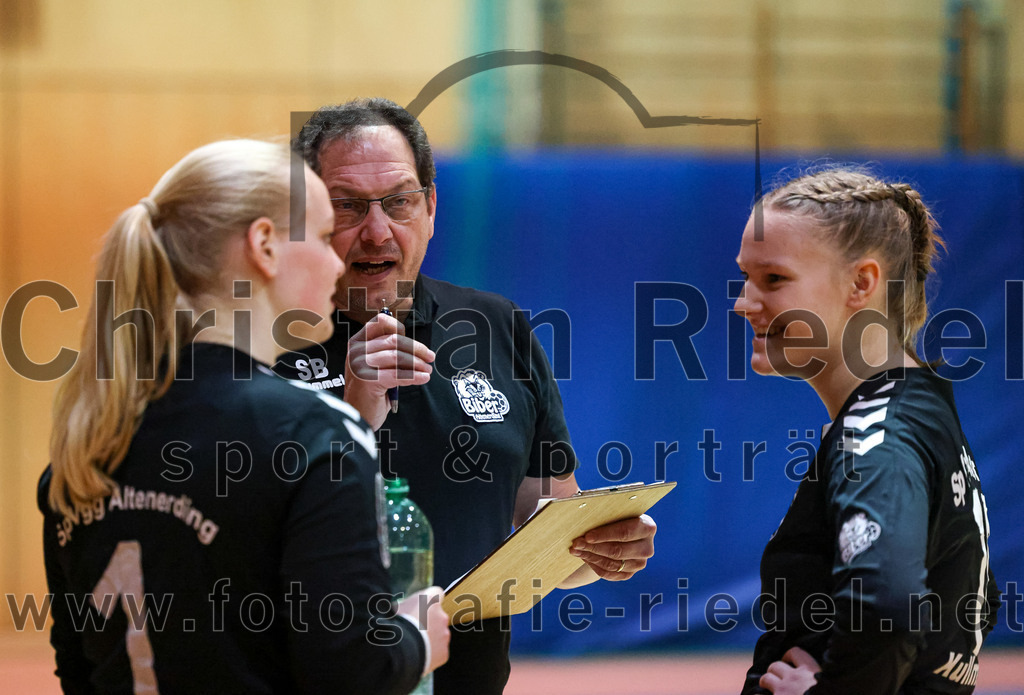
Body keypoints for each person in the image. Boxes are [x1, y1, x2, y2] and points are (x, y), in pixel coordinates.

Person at [39, 139, 449, 694]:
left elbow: (79, 674)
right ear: (264, 246)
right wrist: (415, 636)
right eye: (326, 237)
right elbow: (349, 673)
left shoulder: (88, 443)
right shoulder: (318, 437)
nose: (338, 261)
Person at [278, 98, 658, 694]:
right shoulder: (262, 341)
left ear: (430, 208)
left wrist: (597, 550)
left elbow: (546, 516)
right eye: (349, 205)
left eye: (399, 201)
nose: (377, 230)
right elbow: (244, 529)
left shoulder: (496, 327)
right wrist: (353, 414)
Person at [734, 168, 999, 694]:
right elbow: (972, 605)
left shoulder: (877, 432)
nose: (744, 302)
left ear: (862, 283)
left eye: (774, 279)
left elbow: (892, 605)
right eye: (745, 277)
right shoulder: (922, 412)